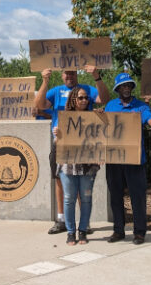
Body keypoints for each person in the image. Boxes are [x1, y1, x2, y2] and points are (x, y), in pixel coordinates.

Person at [34, 66, 109, 234]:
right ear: (62, 75)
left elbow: (104, 98)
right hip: (60, 142)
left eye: (73, 73)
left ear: (77, 74)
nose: (70, 76)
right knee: (60, 180)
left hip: (83, 142)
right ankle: (61, 220)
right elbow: (39, 104)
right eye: (67, 73)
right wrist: (45, 80)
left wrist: (96, 76)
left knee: (83, 182)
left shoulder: (86, 89)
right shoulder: (55, 91)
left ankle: (84, 222)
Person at [105, 72, 151, 244]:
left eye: (129, 85)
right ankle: (118, 231)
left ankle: (139, 233)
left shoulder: (141, 107)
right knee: (115, 196)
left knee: (137, 197)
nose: (126, 88)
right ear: (118, 89)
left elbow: (149, 120)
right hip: (114, 160)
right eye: (123, 86)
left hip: (135, 160)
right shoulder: (110, 106)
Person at [52, 87, 100, 245]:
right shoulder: (65, 118)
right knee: (69, 199)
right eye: (80, 98)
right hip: (68, 165)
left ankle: (83, 230)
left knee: (86, 199)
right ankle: (71, 232)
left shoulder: (94, 117)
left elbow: (100, 139)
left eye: (86, 98)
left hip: (87, 166)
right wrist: (57, 135)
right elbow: (57, 143)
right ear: (73, 100)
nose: (84, 100)